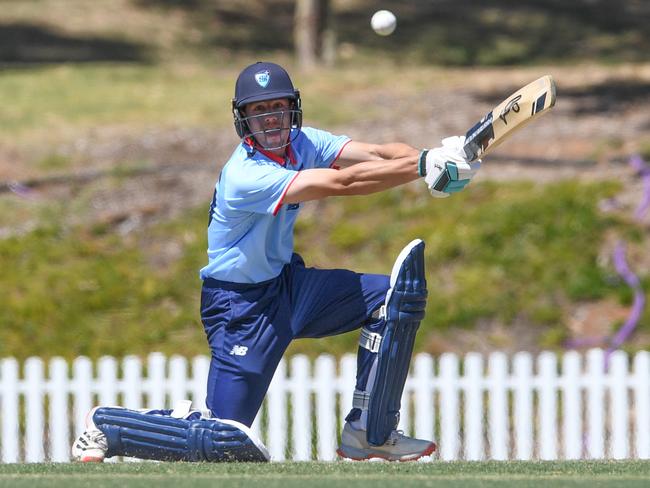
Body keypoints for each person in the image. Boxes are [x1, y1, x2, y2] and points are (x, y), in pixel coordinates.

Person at [72, 61, 480, 463]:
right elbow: (344, 182)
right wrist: (423, 166)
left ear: (292, 110)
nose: (270, 119)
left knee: (394, 298)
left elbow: (376, 152)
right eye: (258, 111)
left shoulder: (303, 143)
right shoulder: (245, 175)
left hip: (289, 286)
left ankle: (369, 432)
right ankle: (112, 424)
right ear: (243, 120)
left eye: (277, 108)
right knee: (224, 441)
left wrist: (435, 158)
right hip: (239, 308)